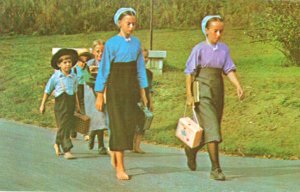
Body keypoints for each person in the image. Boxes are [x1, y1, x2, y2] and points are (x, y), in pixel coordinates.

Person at [184, 15, 244, 180]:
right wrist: (189, 95)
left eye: (221, 31)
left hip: (217, 90)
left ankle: (191, 150)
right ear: (206, 31)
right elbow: (189, 73)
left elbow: (229, 69)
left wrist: (238, 85)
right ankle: (215, 168)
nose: (218, 34)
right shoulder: (199, 49)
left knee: (210, 129)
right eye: (215, 31)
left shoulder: (224, 49)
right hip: (202, 91)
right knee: (212, 128)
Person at [94, 7, 148, 180]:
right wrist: (100, 94)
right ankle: (120, 168)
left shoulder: (137, 43)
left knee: (127, 126)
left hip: (131, 88)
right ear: (120, 23)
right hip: (116, 87)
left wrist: (143, 91)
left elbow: (140, 69)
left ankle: (115, 153)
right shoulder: (111, 44)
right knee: (117, 125)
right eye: (128, 23)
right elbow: (104, 70)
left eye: (134, 24)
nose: (131, 27)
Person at [39, 48, 79, 159]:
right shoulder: (55, 77)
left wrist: (77, 105)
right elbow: (47, 91)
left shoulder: (74, 77)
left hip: (70, 102)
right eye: (64, 63)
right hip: (60, 104)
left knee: (67, 125)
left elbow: (75, 92)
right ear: (59, 65)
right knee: (63, 125)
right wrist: (43, 104)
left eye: (69, 62)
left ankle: (57, 143)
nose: (67, 65)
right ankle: (67, 150)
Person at [85, 40, 109, 155]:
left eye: (102, 52)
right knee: (97, 117)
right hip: (91, 94)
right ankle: (99, 144)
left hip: (104, 93)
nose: (100, 54)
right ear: (93, 52)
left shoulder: (107, 63)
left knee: (101, 118)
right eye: (98, 51)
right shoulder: (89, 64)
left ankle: (94, 136)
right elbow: (87, 79)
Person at [133, 47, 154, 153]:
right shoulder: (132, 72)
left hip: (145, 100)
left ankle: (137, 145)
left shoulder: (149, 73)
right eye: (143, 57)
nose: (145, 59)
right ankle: (130, 143)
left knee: (142, 123)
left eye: (147, 57)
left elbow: (149, 89)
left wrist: (151, 101)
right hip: (134, 99)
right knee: (132, 122)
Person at [70, 48, 94, 140]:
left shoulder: (87, 69)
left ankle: (85, 132)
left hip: (85, 90)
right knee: (75, 110)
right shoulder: (74, 70)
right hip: (76, 90)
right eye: (81, 60)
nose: (83, 63)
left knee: (84, 111)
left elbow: (89, 80)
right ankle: (73, 131)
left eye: (85, 61)